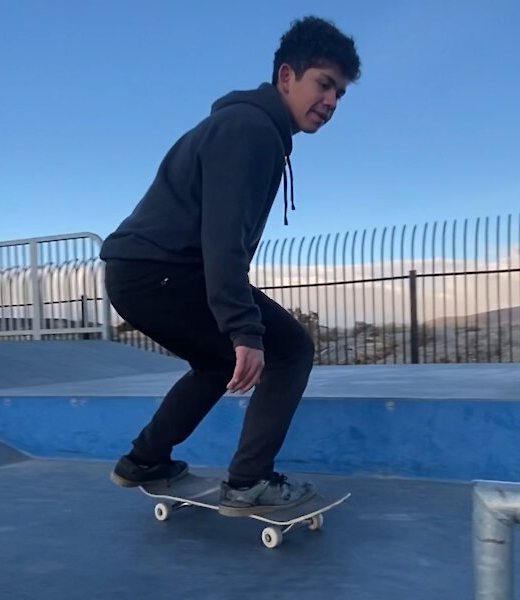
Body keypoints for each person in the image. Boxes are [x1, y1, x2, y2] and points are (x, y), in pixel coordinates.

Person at [99, 16, 361, 517]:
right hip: (161, 271)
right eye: (323, 85)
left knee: (217, 362)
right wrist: (244, 329)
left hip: (143, 272)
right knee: (289, 350)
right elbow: (222, 241)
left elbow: (219, 241)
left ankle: (144, 460)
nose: (330, 102)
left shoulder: (253, 127)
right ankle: (248, 481)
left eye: (340, 94)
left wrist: (235, 330)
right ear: (287, 76)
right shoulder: (250, 130)